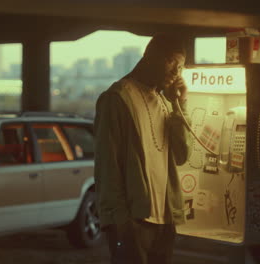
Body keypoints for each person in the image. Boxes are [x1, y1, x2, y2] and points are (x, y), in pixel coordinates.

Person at [94, 34, 191, 264]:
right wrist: (120, 220)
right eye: (171, 62)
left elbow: (182, 154)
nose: (176, 72)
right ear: (150, 57)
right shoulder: (117, 98)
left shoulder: (167, 102)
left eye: (181, 66)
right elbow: (108, 165)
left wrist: (180, 105)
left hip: (165, 218)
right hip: (133, 219)